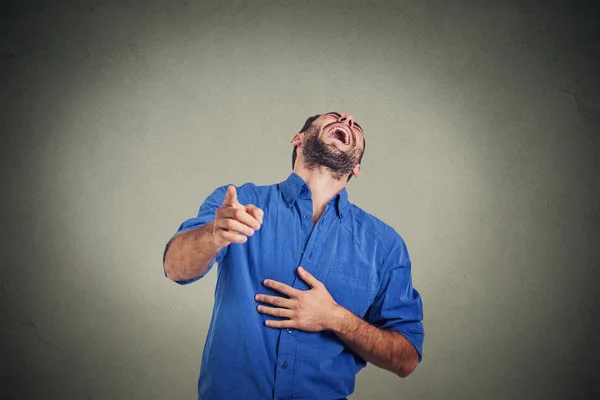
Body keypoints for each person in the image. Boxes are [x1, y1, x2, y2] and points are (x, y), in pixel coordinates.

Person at [163, 112, 424, 400]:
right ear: (298, 139)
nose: (348, 119)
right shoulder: (240, 202)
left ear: (357, 167)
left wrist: (335, 317)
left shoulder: (385, 245)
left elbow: (406, 358)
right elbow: (174, 267)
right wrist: (213, 234)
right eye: (334, 117)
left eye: (356, 126)